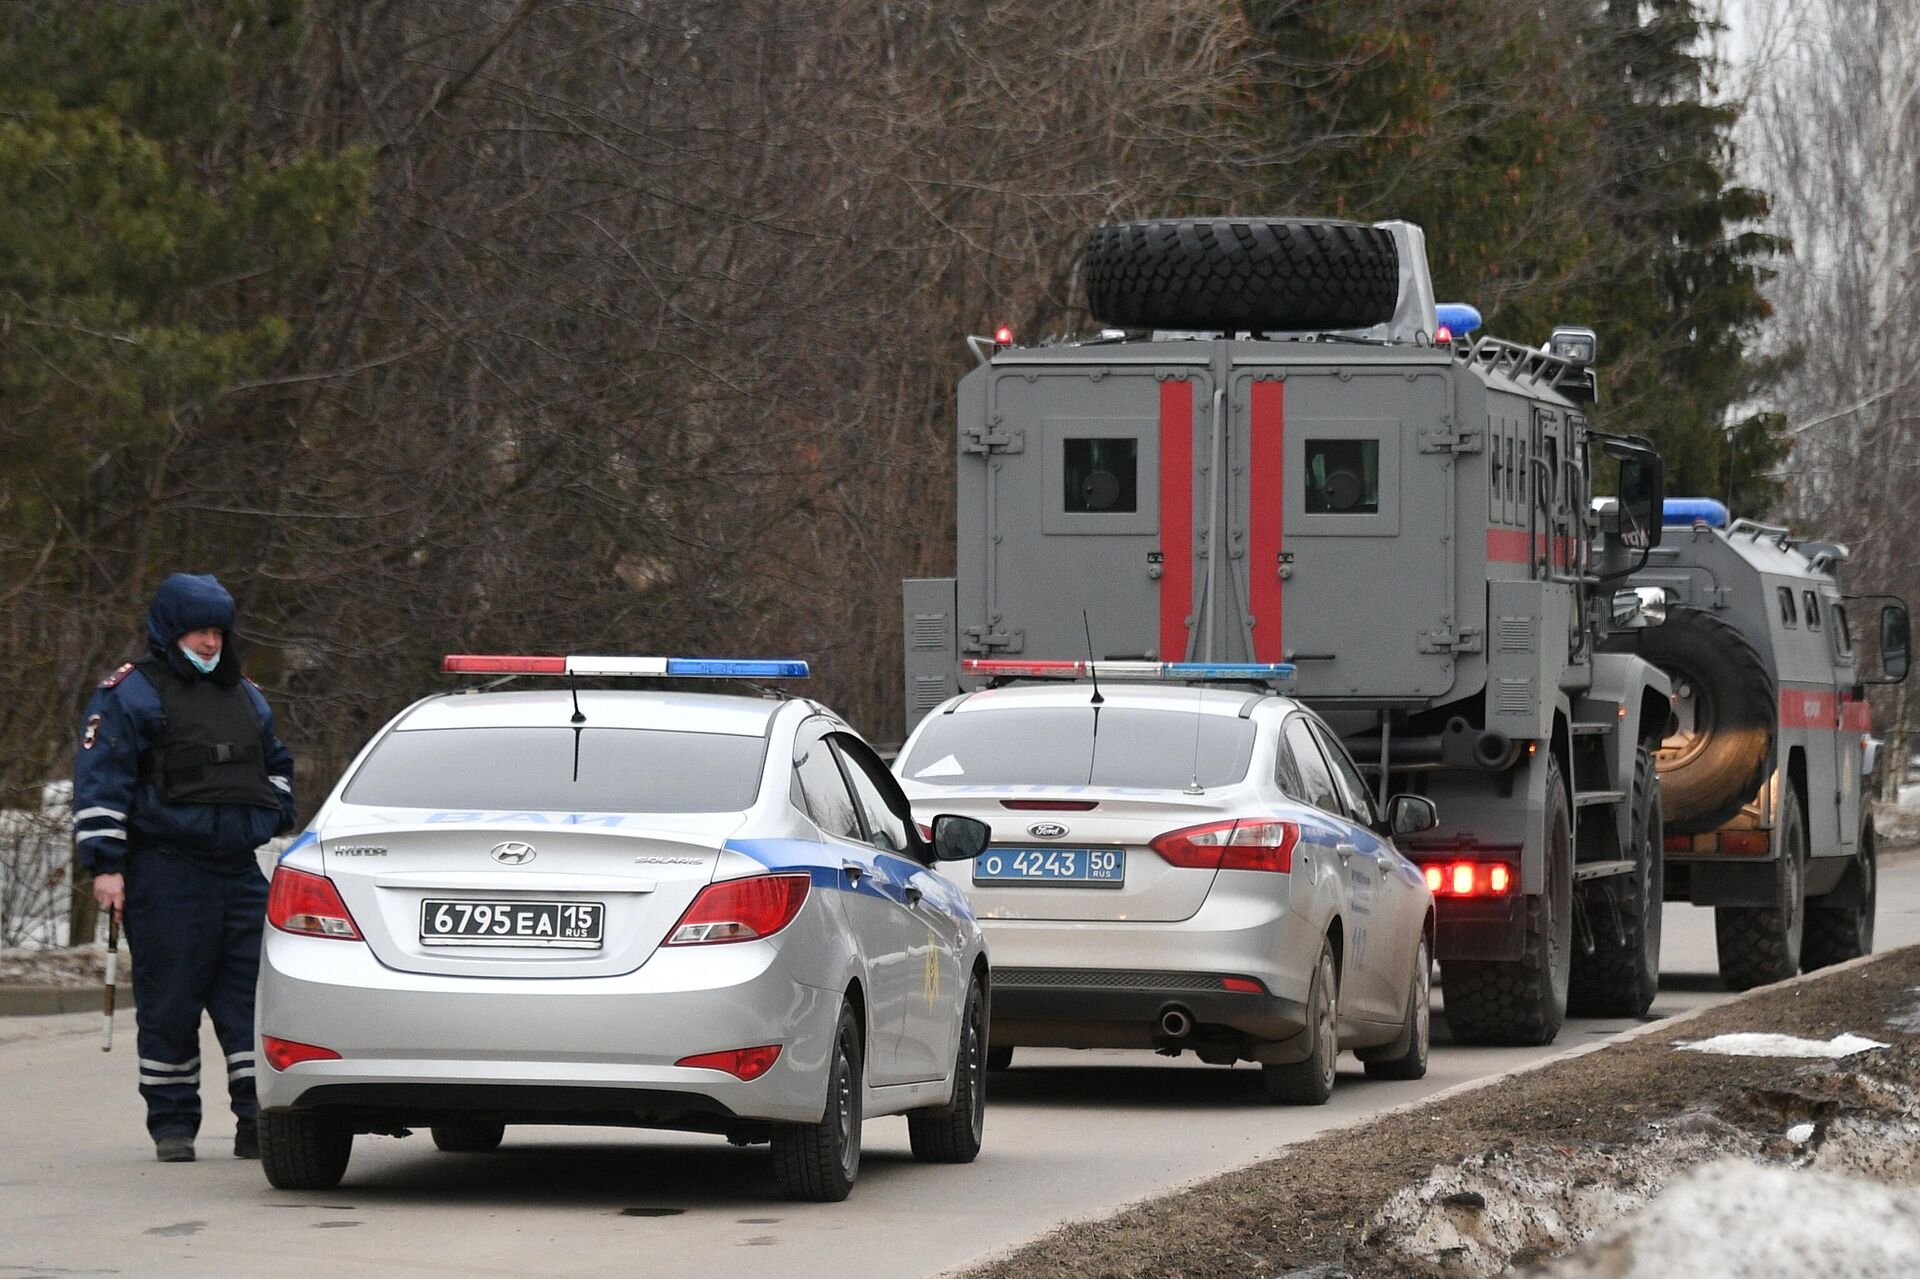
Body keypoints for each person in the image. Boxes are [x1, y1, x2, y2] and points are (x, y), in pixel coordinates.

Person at [72, 573, 298, 1163]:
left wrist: (270, 814)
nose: (209, 642)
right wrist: (106, 867)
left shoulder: (246, 694)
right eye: (199, 630)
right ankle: (172, 1123)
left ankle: (257, 1121)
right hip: (167, 871)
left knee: (250, 1002)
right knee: (170, 1001)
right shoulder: (130, 693)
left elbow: (277, 766)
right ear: (171, 631)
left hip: (238, 872)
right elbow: (102, 784)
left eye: (218, 631)